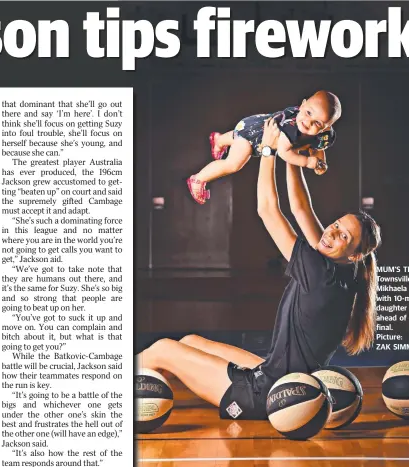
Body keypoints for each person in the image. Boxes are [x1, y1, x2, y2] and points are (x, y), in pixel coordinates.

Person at [139, 117, 381, 420]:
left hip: (267, 394)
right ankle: (148, 396)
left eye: (343, 235)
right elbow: (301, 208)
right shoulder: (345, 270)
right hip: (277, 374)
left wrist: (267, 152)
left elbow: (267, 210)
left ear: (355, 253)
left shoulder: (320, 271)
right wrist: (290, 155)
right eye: (335, 225)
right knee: (189, 343)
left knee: (163, 348)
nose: (331, 233)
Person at [187, 90, 341, 204]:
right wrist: (307, 162)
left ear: (326, 128)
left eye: (317, 123)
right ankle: (199, 179)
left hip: (251, 124)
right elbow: (284, 152)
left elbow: (319, 147)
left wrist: (321, 161)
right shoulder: (291, 129)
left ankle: (219, 140)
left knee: (236, 134)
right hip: (254, 134)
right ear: (302, 105)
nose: (308, 122)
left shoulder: (324, 135)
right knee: (234, 163)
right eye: (308, 113)